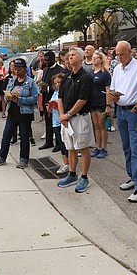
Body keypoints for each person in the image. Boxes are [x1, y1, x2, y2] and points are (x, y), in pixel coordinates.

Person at [108, 41, 137, 203]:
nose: (119, 57)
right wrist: (113, 97)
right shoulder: (118, 69)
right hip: (121, 110)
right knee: (127, 147)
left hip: (134, 111)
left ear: (130, 52)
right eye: (117, 54)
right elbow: (113, 89)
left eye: (122, 54)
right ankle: (133, 177)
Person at [56, 48, 95, 193]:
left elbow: (82, 100)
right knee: (70, 147)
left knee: (82, 147)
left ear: (81, 58)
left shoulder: (86, 77)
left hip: (79, 118)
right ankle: (72, 174)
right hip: (66, 118)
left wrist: (69, 114)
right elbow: (59, 97)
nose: (70, 57)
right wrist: (62, 115)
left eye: (73, 55)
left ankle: (84, 177)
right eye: (69, 55)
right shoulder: (66, 77)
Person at [0, 58, 39, 169]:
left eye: (19, 69)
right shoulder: (12, 81)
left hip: (25, 114)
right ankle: (1, 157)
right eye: (15, 68)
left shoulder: (30, 82)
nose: (16, 71)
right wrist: (8, 97)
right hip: (12, 112)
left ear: (24, 69)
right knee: (6, 136)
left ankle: (23, 159)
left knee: (24, 137)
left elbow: (34, 98)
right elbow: (5, 94)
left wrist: (20, 100)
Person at [37, 51, 66, 150]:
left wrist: (48, 88)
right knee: (48, 121)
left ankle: (59, 143)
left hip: (57, 100)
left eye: (47, 60)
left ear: (53, 59)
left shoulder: (60, 70)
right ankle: (48, 141)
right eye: (45, 60)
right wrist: (42, 88)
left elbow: (61, 86)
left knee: (57, 122)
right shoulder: (45, 70)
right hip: (46, 99)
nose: (46, 62)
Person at [89, 51, 112, 158]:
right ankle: (97, 146)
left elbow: (108, 90)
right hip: (92, 102)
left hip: (101, 102)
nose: (94, 59)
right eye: (93, 58)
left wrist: (108, 105)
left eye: (96, 58)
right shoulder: (91, 72)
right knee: (96, 126)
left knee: (102, 125)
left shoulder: (105, 74)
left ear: (101, 60)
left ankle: (104, 147)